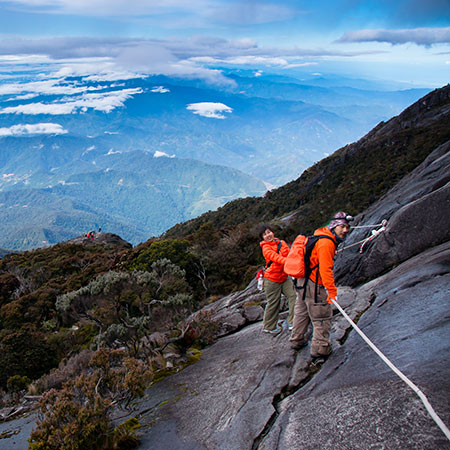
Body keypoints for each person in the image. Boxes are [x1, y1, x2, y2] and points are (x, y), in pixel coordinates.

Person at [289, 212, 352, 357]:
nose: (345, 231)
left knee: (302, 312)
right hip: (313, 284)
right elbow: (325, 270)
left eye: (347, 227)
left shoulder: (320, 235)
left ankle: (296, 340)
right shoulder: (327, 243)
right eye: (342, 227)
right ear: (334, 226)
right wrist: (332, 291)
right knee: (322, 316)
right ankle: (320, 349)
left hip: (301, 282)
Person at [259, 224, 296, 335]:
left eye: (269, 232)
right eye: (265, 234)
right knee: (274, 303)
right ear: (262, 238)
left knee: (294, 295)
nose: (268, 235)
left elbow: (290, 254)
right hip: (272, 280)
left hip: (284, 277)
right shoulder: (265, 248)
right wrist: (289, 262)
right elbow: (276, 258)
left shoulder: (282, 243)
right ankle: (268, 327)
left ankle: (293, 322)